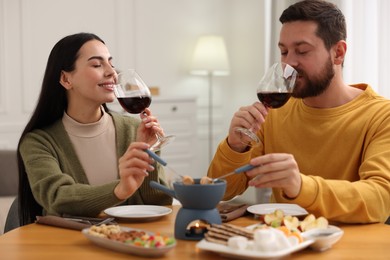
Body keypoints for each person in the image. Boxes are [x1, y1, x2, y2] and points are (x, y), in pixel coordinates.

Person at [208, 0, 390, 223]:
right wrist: (235, 148)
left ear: (338, 53)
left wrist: (301, 186)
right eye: (284, 52)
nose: (289, 63)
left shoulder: (382, 116)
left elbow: (380, 198)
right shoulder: (274, 111)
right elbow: (221, 191)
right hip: (280, 244)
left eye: (302, 51)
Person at [17, 32, 172, 226]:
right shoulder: (38, 142)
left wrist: (148, 151)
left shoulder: (134, 129)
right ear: (66, 79)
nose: (111, 73)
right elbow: (59, 198)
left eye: (111, 64)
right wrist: (120, 190)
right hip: (67, 247)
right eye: (97, 65)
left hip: (131, 244)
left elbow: (159, 202)